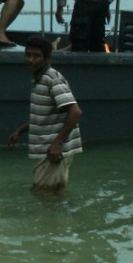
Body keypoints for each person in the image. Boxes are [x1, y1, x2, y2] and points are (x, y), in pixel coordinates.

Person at [7, 35, 83, 194]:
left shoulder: (52, 78)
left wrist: (57, 143)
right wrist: (19, 131)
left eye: (36, 56)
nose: (30, 60)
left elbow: (75, 112)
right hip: (51, 149)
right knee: (55, 193)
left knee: (42, 193)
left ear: (47, 59)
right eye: (27, 54)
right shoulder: (39, 80)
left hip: (53, 151)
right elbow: (44, 116)